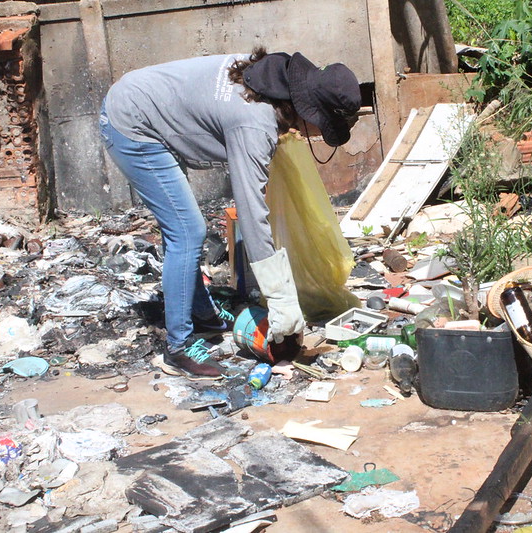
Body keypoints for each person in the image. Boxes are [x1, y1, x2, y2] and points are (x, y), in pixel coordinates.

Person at [99, 48, 361, 380]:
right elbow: (251, 216)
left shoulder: (270, 80)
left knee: (183, 228)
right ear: (308, 110)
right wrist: (281, 299)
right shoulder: (254, 123)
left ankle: (203, 314)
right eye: (323, 126)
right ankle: (178, 350)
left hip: (148, 102)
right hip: (133, 124)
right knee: (188, 231)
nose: (319, 134)